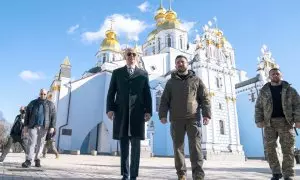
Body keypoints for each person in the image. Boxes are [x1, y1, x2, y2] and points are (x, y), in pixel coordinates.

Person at [159, 55, 211, 180]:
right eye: (177, 63)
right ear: (175, 65)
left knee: (196, 148)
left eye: (182, 62)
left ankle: (198, 175)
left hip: (193, 118)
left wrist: (206, 114)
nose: (180, 64)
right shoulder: (170, 83)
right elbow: (164, 100)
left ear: (187, 64)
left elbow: (204, 98)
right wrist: (162, 115)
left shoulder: (196, 80)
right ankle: (181, 174)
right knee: (178, 148)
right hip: (176, 120)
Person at [106, 48, 152, 180]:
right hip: (121, 113)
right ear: (125, 57)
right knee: (124, 145)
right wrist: (110, 109)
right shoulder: (117, 73)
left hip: (138, 113)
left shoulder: (143, 74)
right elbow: (111, 92)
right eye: (128, 54)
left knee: (136, 148)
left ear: (137, 57)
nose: (131, 56)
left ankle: (133, 176)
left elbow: (147, 94)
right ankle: (125, 175)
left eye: (134, 54)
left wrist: (148, 111)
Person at [255, 68, 300, 180]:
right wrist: (258, 120)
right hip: (269, 124)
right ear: (269, 76)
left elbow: (297, 105)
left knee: (288, 149)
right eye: (273, 74)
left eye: (277, 73)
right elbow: (258, 107)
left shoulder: (290, 90)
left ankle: (288, 174)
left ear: (281, 75)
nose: (275, 75)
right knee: (270, 149)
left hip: (286, 123)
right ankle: (276, 172)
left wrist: (298, 120)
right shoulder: (264, 91)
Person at [22, 88, 56, 168]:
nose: (43, 95)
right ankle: (28, 160)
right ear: (39, 94)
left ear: (46, 94)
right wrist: (26, 126)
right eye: (41, 94)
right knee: (31, 143)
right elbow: (27, 115)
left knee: (40, 144)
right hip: (33, 126)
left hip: (44, 127)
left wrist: (52, 127)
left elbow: (53, 116)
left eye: (44, 94)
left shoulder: (51, 104)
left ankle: (37, 159)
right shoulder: (33, 103)